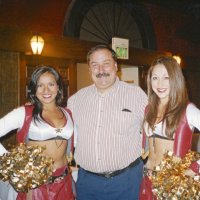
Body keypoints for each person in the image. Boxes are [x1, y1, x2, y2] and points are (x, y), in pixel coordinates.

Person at [67, 44, 148, 200]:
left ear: (116, 66)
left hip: (127, 181)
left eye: (106, 63)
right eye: (95, 65)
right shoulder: (75, 100)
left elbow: (157, 128)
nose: (101, 70)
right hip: (87, 183)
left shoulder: (136, 95)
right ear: (89, 69)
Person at [0, 66, 75, 200]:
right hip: (35, 187)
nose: (46, 90)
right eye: (40, 85)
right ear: (34, 89)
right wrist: (11, 162)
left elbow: (73, 145)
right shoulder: (24, 112)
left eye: (51, 84)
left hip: (64, 182)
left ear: (58, 87)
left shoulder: (68, 113)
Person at [139, 56, 200, 199]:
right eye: (155, 78)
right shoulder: (149, 109)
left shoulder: (188, 110)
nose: (159, 83)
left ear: (175, 79)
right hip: (147, 179)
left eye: (166, 77)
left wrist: (195, 168)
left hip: (173, 186)